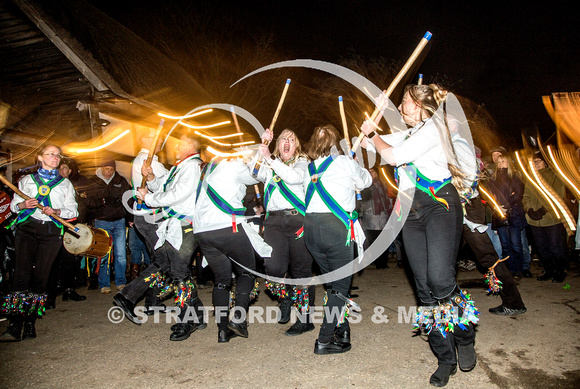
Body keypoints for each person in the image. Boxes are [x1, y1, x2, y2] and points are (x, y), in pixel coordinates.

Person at [360, 84, 478, 386]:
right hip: (410, 211)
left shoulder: (434, 128)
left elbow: (396, 156)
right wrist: (371, 125)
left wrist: (374, 134)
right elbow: (377, 146)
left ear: (422, 104)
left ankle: (464, 335)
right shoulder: (409, 133)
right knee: (425, 289)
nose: (401, 108)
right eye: (399, 104)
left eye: (405, 103)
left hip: (440, 204)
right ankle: (445, 357)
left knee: (441, 280)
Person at [114, 133, 206, 341]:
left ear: (191, 147)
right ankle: (197, 316)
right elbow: (166, 187)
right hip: (174, 225)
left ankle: (186, 320)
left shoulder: (192, 166)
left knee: (179, 270)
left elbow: (178, 194)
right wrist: (153, 179)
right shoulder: (180, 166)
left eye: (181, 143)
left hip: (186, 225)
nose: (175, 146)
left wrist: (150, 198)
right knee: (174, 268)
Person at [302, 124, 372, 355]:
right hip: (335, 229)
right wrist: (354, 164)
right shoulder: (345, 163)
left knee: (333, 286)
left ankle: (342, 330)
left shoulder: (307, 168)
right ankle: (324, 340)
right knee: (340, 288)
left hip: (311, 230)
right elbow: (365, 182)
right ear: (335, 143)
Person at [1, 145, 78, 341]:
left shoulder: (65, 184)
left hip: (51, 232)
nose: (55, 157)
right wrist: (23, 204)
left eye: (57, 155)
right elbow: (14, 207)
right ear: (40, 157)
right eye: (50, 154)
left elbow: (73, 211)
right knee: (21, 274)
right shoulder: (27, 180)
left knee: (41, 277)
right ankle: (14, 324)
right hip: (27, 229)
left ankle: (30, 323)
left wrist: (58, 212)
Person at [194, 152, 270, 343]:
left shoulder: (206, 171)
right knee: (247, 272)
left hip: (203, 231)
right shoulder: (233, 164)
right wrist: (252, 159)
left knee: (221, 279)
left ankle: (222, 330)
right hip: (228, 227)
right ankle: (238, 320)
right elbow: (256, 175)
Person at [253, 128, 315, 336]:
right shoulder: (269, 166)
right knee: (273, 268)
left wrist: (271, 159)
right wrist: (261, 146)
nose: (287, 143)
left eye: (291, 139)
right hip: (274, 222)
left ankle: (305, 319)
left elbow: (294, 178)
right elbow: (252, 171)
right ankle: (286, 298)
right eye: (282, 140)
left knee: (301, 271)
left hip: (298, 219)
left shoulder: (302, 163)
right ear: (278, 145)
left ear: (296, 145)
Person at [46, 158, 91, 308]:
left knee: (69, 259)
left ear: (70, 171)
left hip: (71, 224)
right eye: (60, 168)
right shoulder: (49, 185)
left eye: (65, 168)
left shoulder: (75, 184)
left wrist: (83, 222)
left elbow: (83, 205)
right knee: (53, 260)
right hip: (53, 225)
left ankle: (69, 290)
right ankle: (50, 296)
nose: (61, 171)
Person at [522, 151, 569, 282]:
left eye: (538, 161)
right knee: (542, 247)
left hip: (551, 219)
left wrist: (542, 210)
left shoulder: (554, 176)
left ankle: (560, 271)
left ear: (545, 162)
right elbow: (525, 196)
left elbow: (557, 196)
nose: (535, 164)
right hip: (534, 221)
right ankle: (549, 270)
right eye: (534, 161)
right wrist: (529, 210)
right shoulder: (530, 177)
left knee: (555, 246)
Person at [86, 159, 131, 294]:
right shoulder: (93, 181)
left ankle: (120, 282)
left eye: (111, 169)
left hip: (119, 220)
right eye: (106, 169)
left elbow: (128, 199)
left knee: (121, 254)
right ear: (101, 168)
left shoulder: (120, 180)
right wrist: (101, 201)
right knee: (104, 253)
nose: (109, 172)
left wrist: (129, 217)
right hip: (101, 221)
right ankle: (104, 284)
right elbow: (87, 201)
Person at [129, 129, 168, 279]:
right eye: (156, 138)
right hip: (149, 215)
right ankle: (131, 293)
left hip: (145, 215)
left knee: (159, 258)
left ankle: (153, 300)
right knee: (161, 260)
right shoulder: (147, 160)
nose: (160, 142)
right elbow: (168, 185)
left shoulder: (140, 159)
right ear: (145, 140)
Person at [489, 154, 527, 278]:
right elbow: (489, 195)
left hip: (513, 214)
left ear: (509, 163)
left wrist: (505, 205)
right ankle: (510, 270)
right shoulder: (493, 178)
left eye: (503, 161)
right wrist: (495, 205)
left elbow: (518, 194)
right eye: (498, 162)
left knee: (516, 243)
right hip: (499, 215)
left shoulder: (515, 177)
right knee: (505, 244)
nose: (500, 164)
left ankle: (519, 269)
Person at [360, 168, 392, 269]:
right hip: (369, 215)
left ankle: (382, 262)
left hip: (383, 214)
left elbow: (389, 197)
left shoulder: (383, 183)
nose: (371, 174)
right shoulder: (364, 184)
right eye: (368, 172)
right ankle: (376, 260)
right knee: (372, 239)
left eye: (372, 171)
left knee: (384, 238)